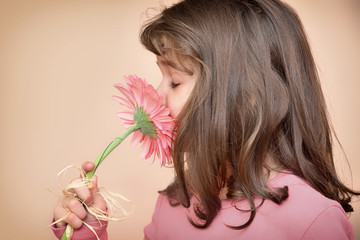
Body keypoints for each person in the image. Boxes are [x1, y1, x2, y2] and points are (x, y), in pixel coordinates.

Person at [51, 0, 360, 239]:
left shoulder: (313, 221)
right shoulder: (174, 203)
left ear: (247, 95)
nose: (156, 96)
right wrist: (88, 232)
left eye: (174, 81)